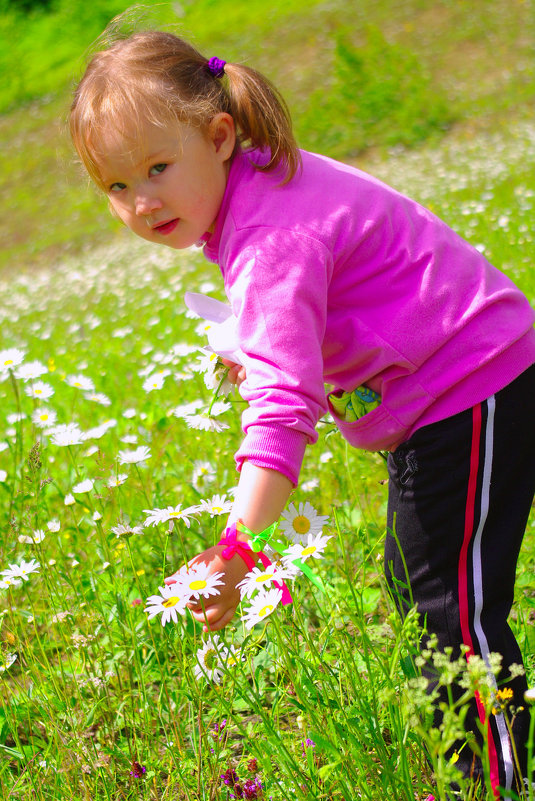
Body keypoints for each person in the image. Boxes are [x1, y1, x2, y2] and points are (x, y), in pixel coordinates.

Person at [69, 28, 535, 798]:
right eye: (116, 187)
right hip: (457, 387)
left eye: (156, 169)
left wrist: (235, 548)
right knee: (427, 590)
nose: (141, 202)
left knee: (449, 611)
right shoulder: (259, 186)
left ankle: (494, 779)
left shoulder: (265, 239)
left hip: (470, 387)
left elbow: (284, 410)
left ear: (218, 137)